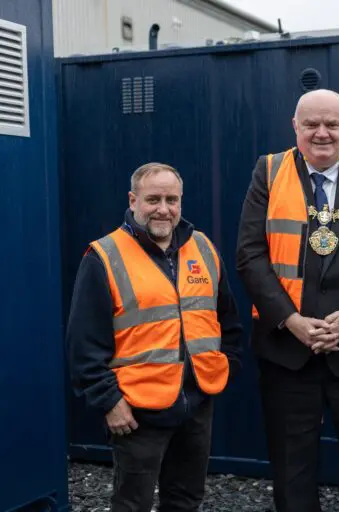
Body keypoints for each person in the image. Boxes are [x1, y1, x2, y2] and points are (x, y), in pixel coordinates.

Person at [235, 89, 339, 512]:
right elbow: (249, 254)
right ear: (295, 127)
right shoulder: (269, 171)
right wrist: (291, 320)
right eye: (311, 124)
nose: (322, 133)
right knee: (292, 474)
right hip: (287, 352)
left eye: (332, 124)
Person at [67, 162, 243, 511]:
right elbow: (83, 344)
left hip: (197, 404)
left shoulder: (204, 249)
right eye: (153, 199)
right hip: (136, 413)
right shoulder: (104, 256)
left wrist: (224, 369)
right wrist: (109, 402)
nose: (163, 209)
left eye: (172, 199)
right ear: (133, 200)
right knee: (133, 504)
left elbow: (229, 322)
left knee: (186, 500)